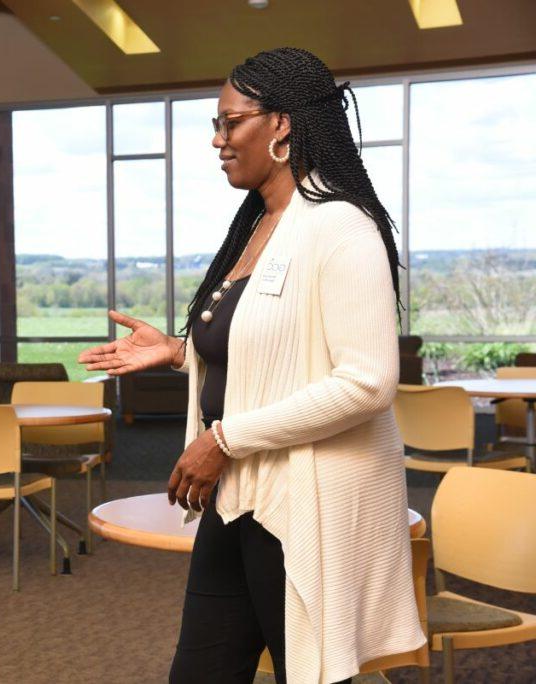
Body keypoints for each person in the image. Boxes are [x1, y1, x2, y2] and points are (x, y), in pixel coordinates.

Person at [79, 47, 425, 683]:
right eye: (216, 125)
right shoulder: (261, 223)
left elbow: (368, 382)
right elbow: (274, 356)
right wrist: (183, 352)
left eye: (229, 122)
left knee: (313, 675)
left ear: (282, 124)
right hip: (235, 500)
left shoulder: (341, 225)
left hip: (301, 505)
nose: (218, 140)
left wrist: (225, 438)